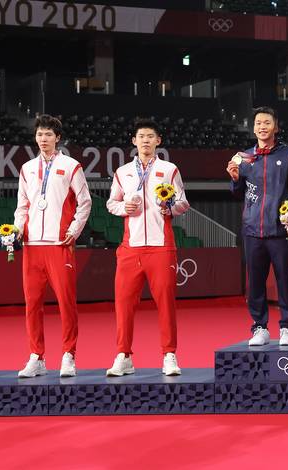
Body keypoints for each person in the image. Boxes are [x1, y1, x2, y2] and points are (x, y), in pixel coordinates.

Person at [105, 119, 190, 377]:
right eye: (141, 136)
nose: (145, 141)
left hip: (161, 246)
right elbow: (111, 203)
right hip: (130, 248)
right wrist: (123, 209)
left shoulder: (169, 169)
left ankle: (169, 354)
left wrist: (170, 207)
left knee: (165, 303)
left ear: (158, 141)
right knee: (123, 303)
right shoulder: (122, 172)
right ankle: (123, 355)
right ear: (134, 141)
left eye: (150, 136)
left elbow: (183, 203)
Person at [14, 114, 91, 378]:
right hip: (32, 245)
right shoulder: (26, 169)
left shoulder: (71, 166)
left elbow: (85, 202)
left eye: (48, 134)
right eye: (39, 134)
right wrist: (16, 230)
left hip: (60, 244)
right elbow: (22, 206)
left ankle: (69, 355)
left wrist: (73, 231)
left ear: (57, 137)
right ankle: (37, 356)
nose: (43, 139)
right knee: (32, 304)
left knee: (66, 303)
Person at [227, 107, 288, 346]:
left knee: (284, 279)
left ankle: (287, 327)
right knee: (255, 282)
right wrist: (234, 178)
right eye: (258, 123)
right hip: (252, 231)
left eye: (267, 122)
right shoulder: (245, 157)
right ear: (254, 128)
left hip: (279, 231)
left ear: (275, 127)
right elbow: (238, 193)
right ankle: (259, 327)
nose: (262, 126)